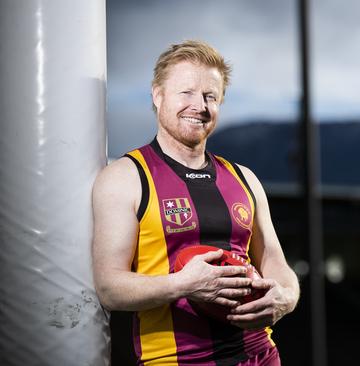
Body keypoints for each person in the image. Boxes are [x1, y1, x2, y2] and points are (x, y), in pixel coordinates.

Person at [92, 40, 300, 366]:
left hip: (259, 355)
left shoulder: (244, 178)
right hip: (174, 360)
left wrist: (285, 298)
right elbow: (109, 288)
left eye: (210, 96)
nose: (199, 106)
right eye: (186, 92)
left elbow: (275, 261)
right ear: (157, 96)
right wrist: (185, 285)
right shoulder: (125, 177)